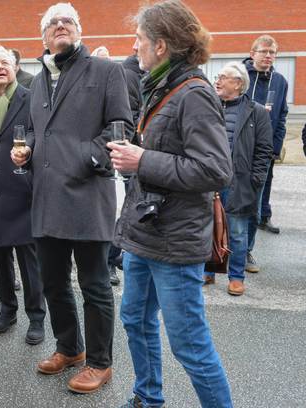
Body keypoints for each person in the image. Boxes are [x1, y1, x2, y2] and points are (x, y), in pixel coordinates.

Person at [110, 1, 234, 406]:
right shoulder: (159, 84)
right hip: (145, 233)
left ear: (161, 45)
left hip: (175, 243)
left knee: (190, 346)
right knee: (134, 320)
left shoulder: (194, 93)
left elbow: (215, 170)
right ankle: (147, 398)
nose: (135, 46)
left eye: (140, 39)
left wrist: (142, 159)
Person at [11, 2, 131, 394]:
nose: (60, 26)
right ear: (43, 36)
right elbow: (34, 130)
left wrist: (83, 158)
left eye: (67, 21)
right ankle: (69, 347)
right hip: (46, 198)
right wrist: (26, 150)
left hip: (86, 195)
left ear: (78, 31)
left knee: (95, 284)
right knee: (53, 282)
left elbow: (120, 128)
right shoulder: (38, 81)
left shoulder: (107, 71)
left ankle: (100, 362)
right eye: (52, 23)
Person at [0, 46, 46, 344]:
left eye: (5, 62)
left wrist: (27, 148)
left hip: (23, 188)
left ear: (15, 68)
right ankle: (7, 309)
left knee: (30, 261)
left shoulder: (31, 98)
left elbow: (37, 133)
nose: (0, 67)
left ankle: (36, 316)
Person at [202, 61, 273, 296]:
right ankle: (209, 270)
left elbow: (264, 150)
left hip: (239, 182)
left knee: (238, 232)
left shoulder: (257, 111)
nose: (217, 81)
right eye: (218, 77)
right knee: (209, 227)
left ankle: (236, 276)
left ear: (238, 83)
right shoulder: (209, 106)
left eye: (224, 77)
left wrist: (257, 180)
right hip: (210, 180)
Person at [243, 34, 289, 271]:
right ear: (253, 54)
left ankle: (246, 251)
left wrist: (274, 147)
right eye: (264, 52)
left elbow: (281, 116)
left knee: (255, 206)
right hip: (237, 151)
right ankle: (219, 251)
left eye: (273, 53)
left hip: (263, 152)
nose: (269, 56)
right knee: (226, 202)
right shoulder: (239, 75)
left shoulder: (279, 81)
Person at [107, 51, 145, 287]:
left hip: (141, 155)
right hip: (132, 154)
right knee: (125, 208)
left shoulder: (150, 74)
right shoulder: (129, 73)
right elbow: (124, 118)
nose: (134, 44)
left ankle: (121, 256)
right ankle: (111, 259)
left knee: (132, 209)